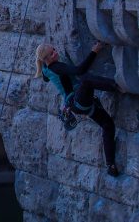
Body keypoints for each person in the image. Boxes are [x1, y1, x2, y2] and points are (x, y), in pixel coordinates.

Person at [35, 41, 120, 177]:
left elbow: (45, 78)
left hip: (77, 105)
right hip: (77, 101)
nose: (56, 52)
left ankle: (111, 166)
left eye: (54, 49)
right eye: (52, 53)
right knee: (86, 80)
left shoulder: (46, 69)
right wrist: (95, 51)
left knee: (107, 124)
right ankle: (116, 86)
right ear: (47, 59)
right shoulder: (56, 67)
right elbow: (80, 70)